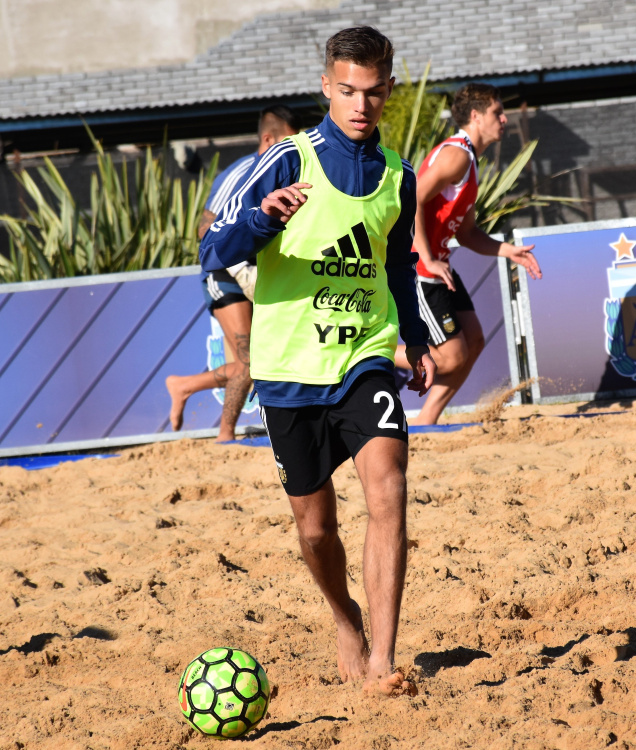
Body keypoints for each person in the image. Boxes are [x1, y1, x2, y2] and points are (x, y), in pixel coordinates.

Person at [199, 26, 435, 697]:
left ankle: (383, 663)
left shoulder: (400, 177)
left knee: (388, 488)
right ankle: (344, 617)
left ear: (389, 91)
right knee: (315, 529)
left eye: (373, 92)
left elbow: (397, 264)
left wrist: (414, 335)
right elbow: (211, 251)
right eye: (347, 91)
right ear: (327, 86)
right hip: (289, 367)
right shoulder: (286, 161)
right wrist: (262, 220)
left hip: (364, 356)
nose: (361, 105)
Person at [393, 83, 542, 425]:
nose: (504, 119)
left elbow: (467, 233)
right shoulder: (457, 154)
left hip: (437, 263)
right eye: (497, 113)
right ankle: (362, 353)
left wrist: (508, 250)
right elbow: (410, 199)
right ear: (475, 116)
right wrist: (427, 257)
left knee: (473, 342)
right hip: (419, 266)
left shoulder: (470, 161)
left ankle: (425, 423)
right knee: (450, 357)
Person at [165, 105, 300, 441]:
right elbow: (205, 229)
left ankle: (185, 385)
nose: (294, 149)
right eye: (288, 142)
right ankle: (225, 436)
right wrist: (240, 260)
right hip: (226, 272)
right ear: (267, 140)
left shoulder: (294, 170)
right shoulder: (242, 172)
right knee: (249, 362)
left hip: (263, 272)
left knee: (265, 359)